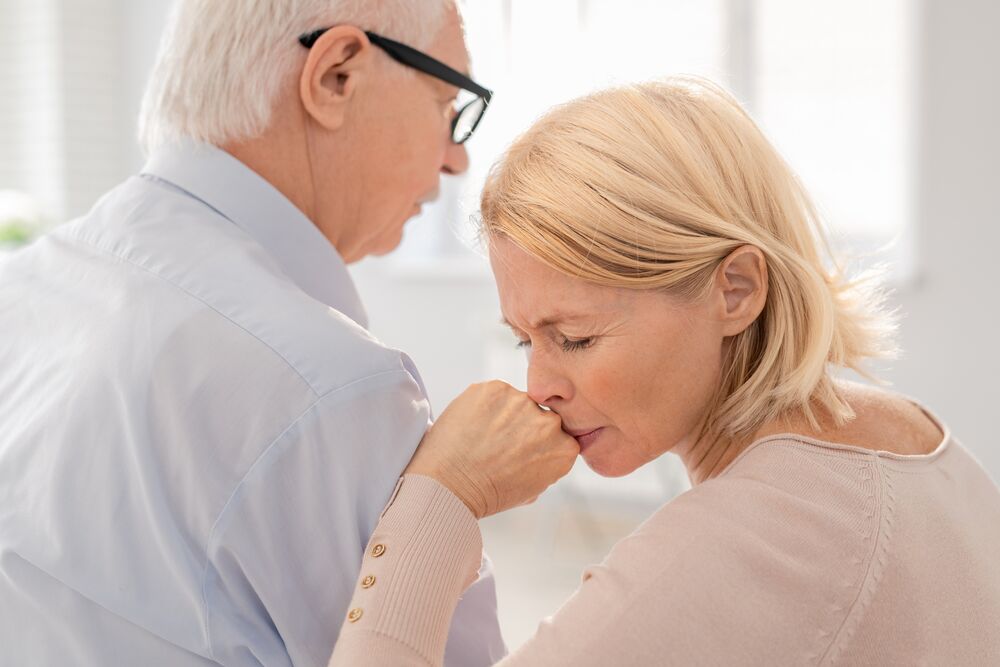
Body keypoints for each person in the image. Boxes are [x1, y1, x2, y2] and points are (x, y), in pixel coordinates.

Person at [327, 78, 1000, 665]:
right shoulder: (917, 441)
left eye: (576, 338)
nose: (538, 388)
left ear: (735, 290)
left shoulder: (740, 544)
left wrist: (441, 495)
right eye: (527, 342)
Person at [0, 1, 551, 664]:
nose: (457, 158)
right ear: (336, 76)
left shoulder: (20, 285)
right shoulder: (329, 390)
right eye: (446, 103)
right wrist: (449, 494)